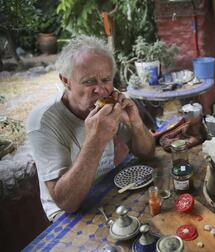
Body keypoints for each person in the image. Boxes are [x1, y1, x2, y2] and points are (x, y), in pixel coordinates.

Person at [26, 35, 155, 221]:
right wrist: (95, 139)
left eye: (106, 79)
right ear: (66, 81)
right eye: (88, 82)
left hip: (108, 189)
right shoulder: (42, 121)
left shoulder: (113, 104)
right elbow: (66, 202)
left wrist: (134, 123)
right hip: (67, 214)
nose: (101, 90)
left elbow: (148, 154)